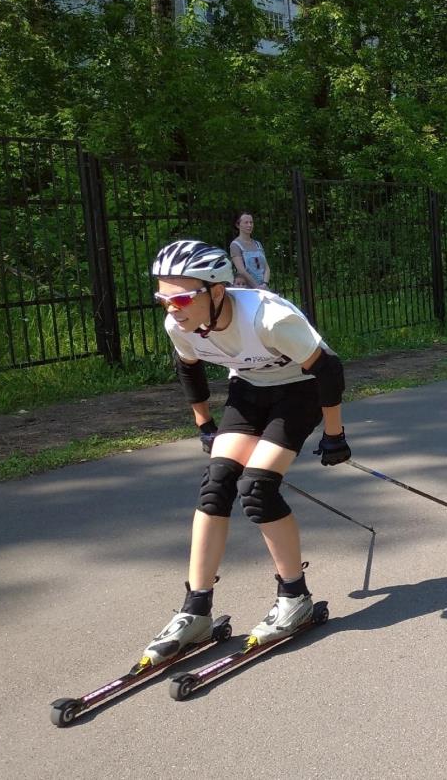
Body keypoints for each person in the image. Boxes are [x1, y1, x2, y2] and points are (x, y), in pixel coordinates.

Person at [142, 240, 351, 667]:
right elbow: (190, 370)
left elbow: (328, 370)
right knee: (216, 485)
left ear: (216, 291)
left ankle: (295, 597)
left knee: (256, 488)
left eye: (181, 298)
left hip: (299, 391)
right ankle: (195, 610)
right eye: (162, 299)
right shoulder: (179, 326)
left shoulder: (270, 318)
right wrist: (204, 424)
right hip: (249, 391)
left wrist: (334, 434)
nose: (171, 309)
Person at [230, 212, 270, 289]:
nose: (249, 225)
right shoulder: (235, 245)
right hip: (248, 289)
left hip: (263, 287)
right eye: (246, 222)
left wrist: (264, 284)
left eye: (251, 222)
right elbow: (241, 270)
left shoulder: (258, 244)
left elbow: (266, 268)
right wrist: (256, 287)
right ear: (238, 225)